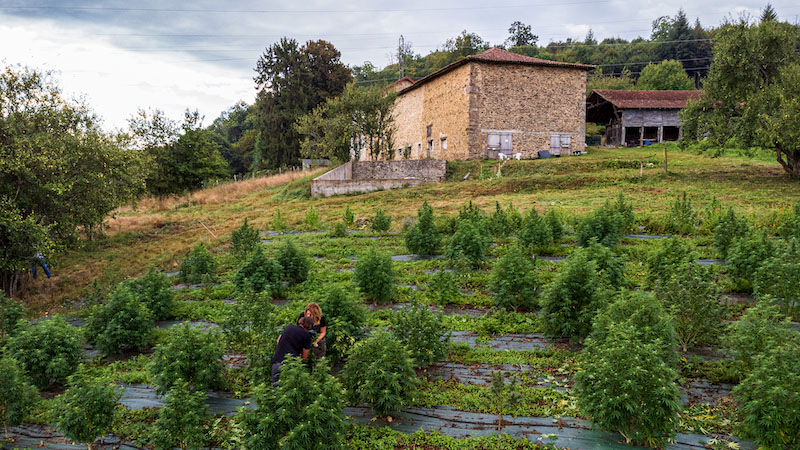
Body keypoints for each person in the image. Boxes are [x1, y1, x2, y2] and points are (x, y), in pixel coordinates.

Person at [271, 316, 313, 385]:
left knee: (276, 390)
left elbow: (278, 341)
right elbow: (304, 357)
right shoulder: (306, 336)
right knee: (289, 390)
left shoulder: (288, 327)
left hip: (277, 362)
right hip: (290, 365)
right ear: (309, 326)